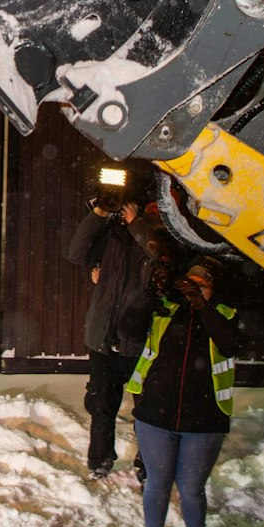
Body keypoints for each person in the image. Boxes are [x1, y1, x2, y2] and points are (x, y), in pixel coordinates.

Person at [127, 259, 242, 527]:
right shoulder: (165, 309)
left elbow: (232, 343)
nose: (193, 288)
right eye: (189, 283)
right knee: (157, 484)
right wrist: (150, 291)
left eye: (201, 284)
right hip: (154, 416)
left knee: (191, 489)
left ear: (212, 289)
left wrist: (202, 305)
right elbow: (129, 328)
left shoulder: (224, 313)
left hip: (204, 421)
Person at [64, 190, 165, 480]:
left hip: (141, 341)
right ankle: (99, 461)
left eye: (159, 208)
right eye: (150, 207)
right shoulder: (114, 236)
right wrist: (99, 215)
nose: (153, 212)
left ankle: (146, 466)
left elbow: (159, 256)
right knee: (101, 405)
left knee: (146, 411)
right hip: (104, 337)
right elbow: (77, 252)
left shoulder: (165, 241)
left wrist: (137, 225)